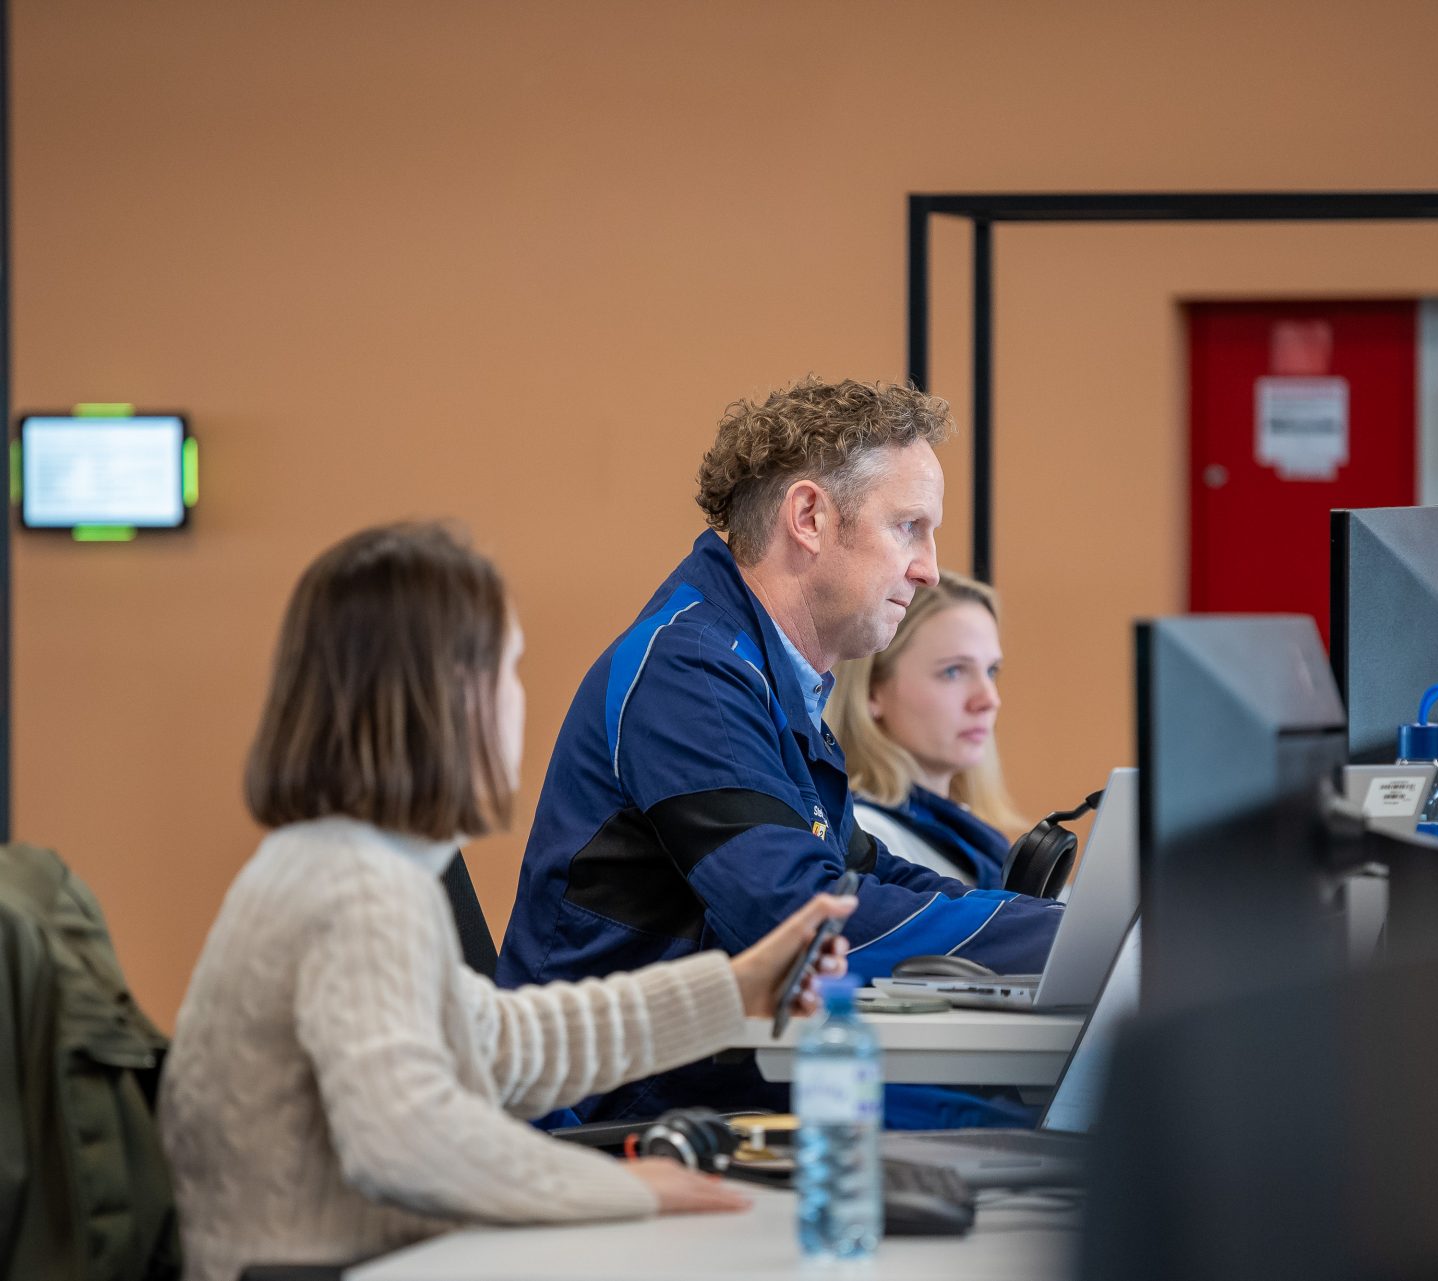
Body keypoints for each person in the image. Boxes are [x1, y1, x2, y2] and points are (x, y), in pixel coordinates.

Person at [158, 523, 854, 1281]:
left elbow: (502, 1046)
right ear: (452, 695)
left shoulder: (342, 864)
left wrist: (736, 992)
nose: (519, 700)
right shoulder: (356, 887)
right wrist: (620, 1187)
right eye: (510, 670)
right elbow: (407, 1137)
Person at [498, 378, 1063, 1126]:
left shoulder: (761, 670)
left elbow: (857, 870)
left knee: (1024, 1116)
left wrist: (1050, 923)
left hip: (691, 1077)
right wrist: (1066, 940)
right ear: (808, 517)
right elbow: (800, 916)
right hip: (604, 1106)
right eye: (909, 528)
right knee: (1020, 1127)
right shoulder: (692, 671)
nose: (928, 567)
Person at [826, 572, 1025, 888]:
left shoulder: (968, 833)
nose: (989, 699)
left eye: (991, 671)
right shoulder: (866, 838)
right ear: (872, 691)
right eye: (953, 671)